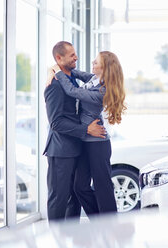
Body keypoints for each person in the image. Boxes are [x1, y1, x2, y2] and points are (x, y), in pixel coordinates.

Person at [47, 51, 126, 215]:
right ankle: (98, 219)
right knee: (80, 187)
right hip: (85, 141)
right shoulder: (93, 79)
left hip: (98, 144)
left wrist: (58, 70)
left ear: (104, 68)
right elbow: (72, 72)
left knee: (102, 185)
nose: (92, 62)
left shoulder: (102, 91)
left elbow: (72, 91)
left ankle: (109, 225)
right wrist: (52, 70)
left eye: (96, 62)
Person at [43, 41, 106, 222]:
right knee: (59, 198)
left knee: (74, 198)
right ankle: (55, 239)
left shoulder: (70, 78)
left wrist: (54, 68)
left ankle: (72, 237)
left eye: (75, 53)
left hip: (76, 147)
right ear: (59, 58)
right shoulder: (54, 85)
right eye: (72, 55)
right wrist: (86, 129)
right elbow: (56, 123)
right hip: (61, 150)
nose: (76, 57)